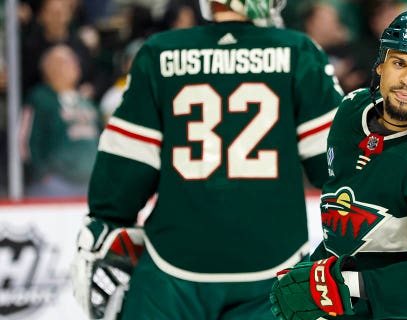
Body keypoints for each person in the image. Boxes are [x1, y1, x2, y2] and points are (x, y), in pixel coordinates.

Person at [70, 0, 344, 319]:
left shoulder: (161, 53)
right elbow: (336, 166)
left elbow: (125, 169)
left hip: (174, 262)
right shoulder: (298, 51)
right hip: (274, 259)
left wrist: (106, 220)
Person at [271, 10, 407, 320]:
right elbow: (345, 223)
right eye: (399, 63)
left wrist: (342, 284)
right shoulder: (351, 112)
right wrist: (313, 275)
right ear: (380, 64)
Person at [20, 44, 101, 197]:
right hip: (58, 184)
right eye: (66, 60)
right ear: (49, 68)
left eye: (74, 60)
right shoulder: (40, 98)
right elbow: (25, 141)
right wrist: (41, 174)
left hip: (91, 182)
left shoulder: (86, 101)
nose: (74, 64)